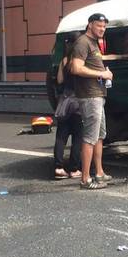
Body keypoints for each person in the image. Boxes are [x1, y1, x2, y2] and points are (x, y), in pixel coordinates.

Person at [70, 13, 114, 189]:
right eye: (99, 25)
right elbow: (76, 68)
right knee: (89, 137)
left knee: (99, 136)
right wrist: (101, 73)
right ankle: (85, 179)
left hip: (98, 95)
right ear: (90, 25)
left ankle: (100, 173)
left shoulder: (94, 43)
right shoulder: (82, 42)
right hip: (89, 96)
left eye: (104, 26)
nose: (102, 29)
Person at [53, 34, 83, 180]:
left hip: (65, 101)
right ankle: (74, 169)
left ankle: (58, 168)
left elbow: (59, 80)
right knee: (78, 137)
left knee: (61, 136)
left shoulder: (63, 61)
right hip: (78, 101)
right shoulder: (80, 61)